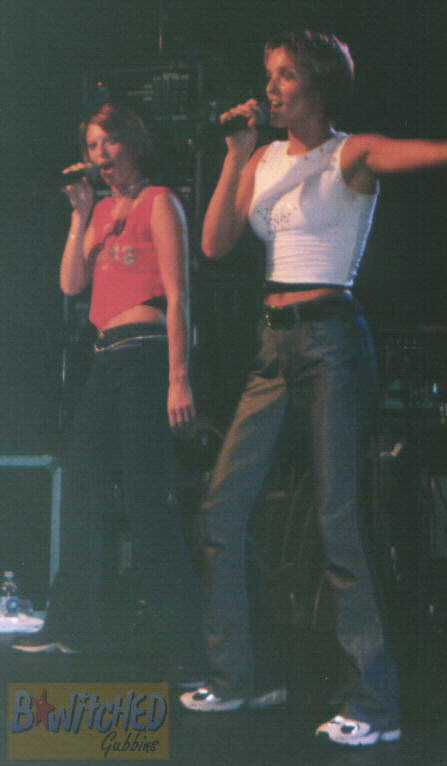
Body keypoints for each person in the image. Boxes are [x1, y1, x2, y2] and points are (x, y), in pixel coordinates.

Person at [179, 31, 447, 745]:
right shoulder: (260, 158)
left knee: (337, 520)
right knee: (222, 508)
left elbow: (443, 152)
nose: (271, 88)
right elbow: (215, 245)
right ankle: (239, 678)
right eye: (269, 75)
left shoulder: (353, 153)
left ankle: (373, 704)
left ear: (318, 85)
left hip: (331, 341)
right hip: (271, 346)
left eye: (285, 76)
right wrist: (234, 154)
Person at [13, 103, 202, 664]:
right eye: (93, 146)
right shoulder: (96, 211)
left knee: (146, 501)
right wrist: (79, 216)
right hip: (105, 358)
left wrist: (179, 378)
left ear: (133, 144)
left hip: (146, 355)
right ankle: (70, 625)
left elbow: (179, 295)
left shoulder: (159, 201)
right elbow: (71, 284)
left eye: (109, 143)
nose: (100, 155)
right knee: (80, 487)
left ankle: (184, 645)